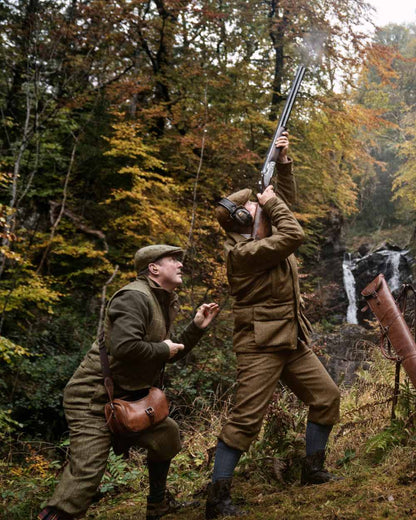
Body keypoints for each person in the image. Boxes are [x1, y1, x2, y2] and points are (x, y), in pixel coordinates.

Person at [206, 134, 341, 519]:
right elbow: (293, 231)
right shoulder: (244, 253)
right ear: (243, 219)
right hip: (260, 344)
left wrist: (283, 163)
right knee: (245, 421)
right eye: (252, 204)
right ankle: (217, 500)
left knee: (326, 397)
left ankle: (312, 471)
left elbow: (285, 207)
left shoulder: (261, 235)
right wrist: (273, 201)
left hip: (288, 337)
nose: (259, 204)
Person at [38, 244, 219, 520]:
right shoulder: (133, 297)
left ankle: (157, 505)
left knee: (167, 436)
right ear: (153, 268)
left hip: (130, 400)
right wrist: (163, 349)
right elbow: (125, 347)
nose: (181, 264)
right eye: (173, 260)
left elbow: (164, 353)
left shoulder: (163, 299)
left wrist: (195, 327)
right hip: (93, 399)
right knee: (86, 474)